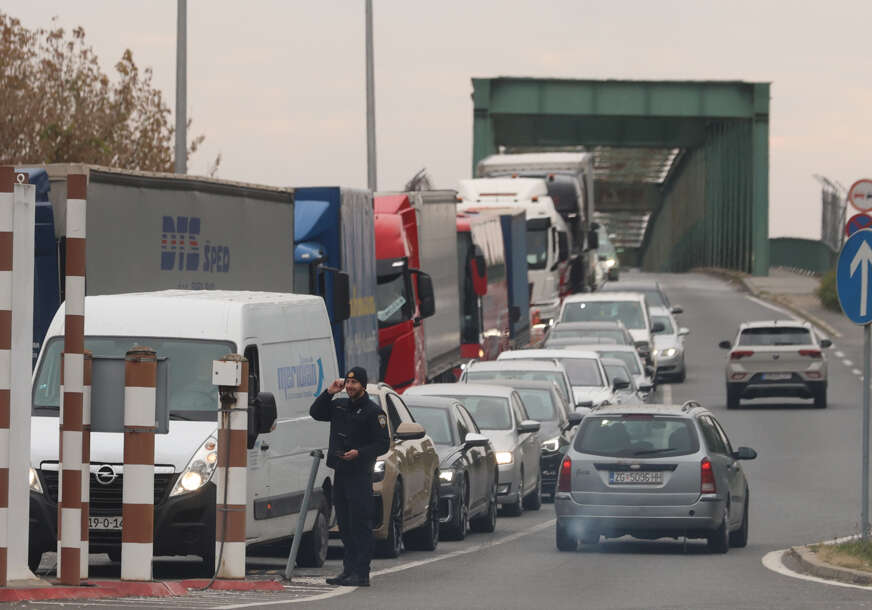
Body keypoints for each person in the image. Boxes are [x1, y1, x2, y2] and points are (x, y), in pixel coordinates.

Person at [309, 366, 389, 587]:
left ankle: (362, 572)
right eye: (348, 383)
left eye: (355, 383)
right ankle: (348, 569)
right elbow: (316, 412)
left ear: (362, 385)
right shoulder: (339, 405)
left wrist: (360, 453)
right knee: (344, 524)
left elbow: (383, 443)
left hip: (360, 474)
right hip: (341, 473)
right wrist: (330, 392)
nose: (351, 387)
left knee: (360, 524)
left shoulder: (374, 412)